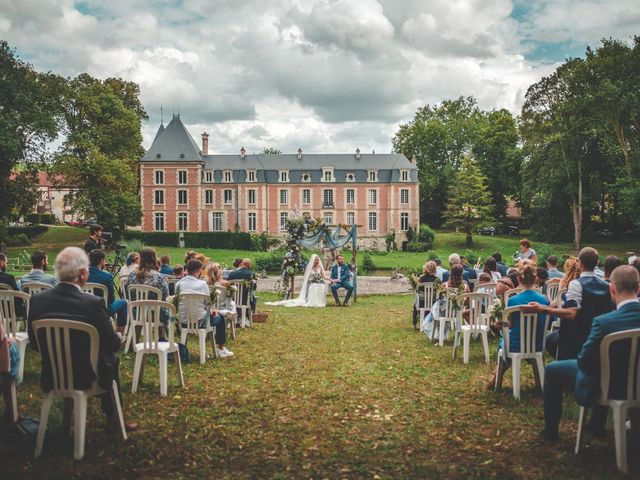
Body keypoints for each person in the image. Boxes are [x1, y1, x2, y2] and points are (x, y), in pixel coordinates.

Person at [27, 247, 136, 433]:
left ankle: (66, 422)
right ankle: (113, 418)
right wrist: (119, 336)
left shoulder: (37, 300)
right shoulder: (92, 303)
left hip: (53, 373)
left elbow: (34, 343)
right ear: (84, 275)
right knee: (110, 359)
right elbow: (111, 344)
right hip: (89, 375)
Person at [540, 265, 640, 441]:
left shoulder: (604, 323)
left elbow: (584, 361)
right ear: (638, 288)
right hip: (635, 383)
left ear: (612, 289)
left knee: (552, 370)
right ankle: (596, 423)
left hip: (609, 386)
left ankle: (550, 431)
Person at [524, 247, 613, 360]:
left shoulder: (576, 284)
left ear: (580, 263)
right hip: (599, 335)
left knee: (549, 340)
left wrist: (541, 309)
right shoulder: (608, 286)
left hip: (577, 335)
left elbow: (571, 313)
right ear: (597, 263)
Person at [489, 263, 549, 387]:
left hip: (516, 344)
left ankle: (496, 378)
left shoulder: (513, 300)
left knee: (503, 341)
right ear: (535, 278)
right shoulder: (544, 300)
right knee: (509, 340)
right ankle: (540, 381)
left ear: (518, 278)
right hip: (537, 343)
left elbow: (511, 325)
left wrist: (500, 324)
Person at [176, 259, 233, 359]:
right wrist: (211, 311)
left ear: (187, 270)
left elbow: (177, 301)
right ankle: (220, 348)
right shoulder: (202, 284)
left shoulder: (179, 284)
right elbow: (207, 303)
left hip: (184, 320)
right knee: (221, 318)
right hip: (201, 321)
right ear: (199, 271)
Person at [88, 250, 128, 335]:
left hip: (84, 308)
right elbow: (111, 299)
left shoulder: (81, 275)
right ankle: (120, 334)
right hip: (104, 309)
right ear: (102, 261)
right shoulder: (107, 276)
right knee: (123, 303)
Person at [412, 261, 438, 329]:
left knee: (415, 303)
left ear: (425, 268)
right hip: (433, 302)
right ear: (435, 269)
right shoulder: (437, 280)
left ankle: (414, 323)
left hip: (422, 302)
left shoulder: (421, 278)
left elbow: (417, 289)